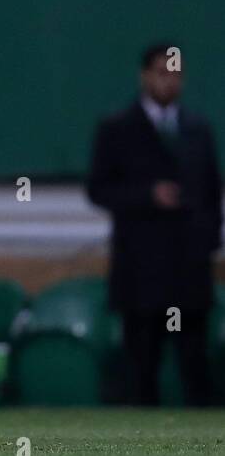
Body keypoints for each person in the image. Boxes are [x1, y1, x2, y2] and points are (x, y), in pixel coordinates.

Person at [86, 43, 221, 406]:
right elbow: (98, 189)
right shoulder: (117, 128)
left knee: (195, 363)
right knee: (142, 364)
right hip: (141, 269)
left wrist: (206, 242)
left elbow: (211, 192)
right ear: (145, 76)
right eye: (162, 73)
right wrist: (148, 195)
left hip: (190, 268)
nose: (169, 82)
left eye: (176, 74)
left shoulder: (197, 129)